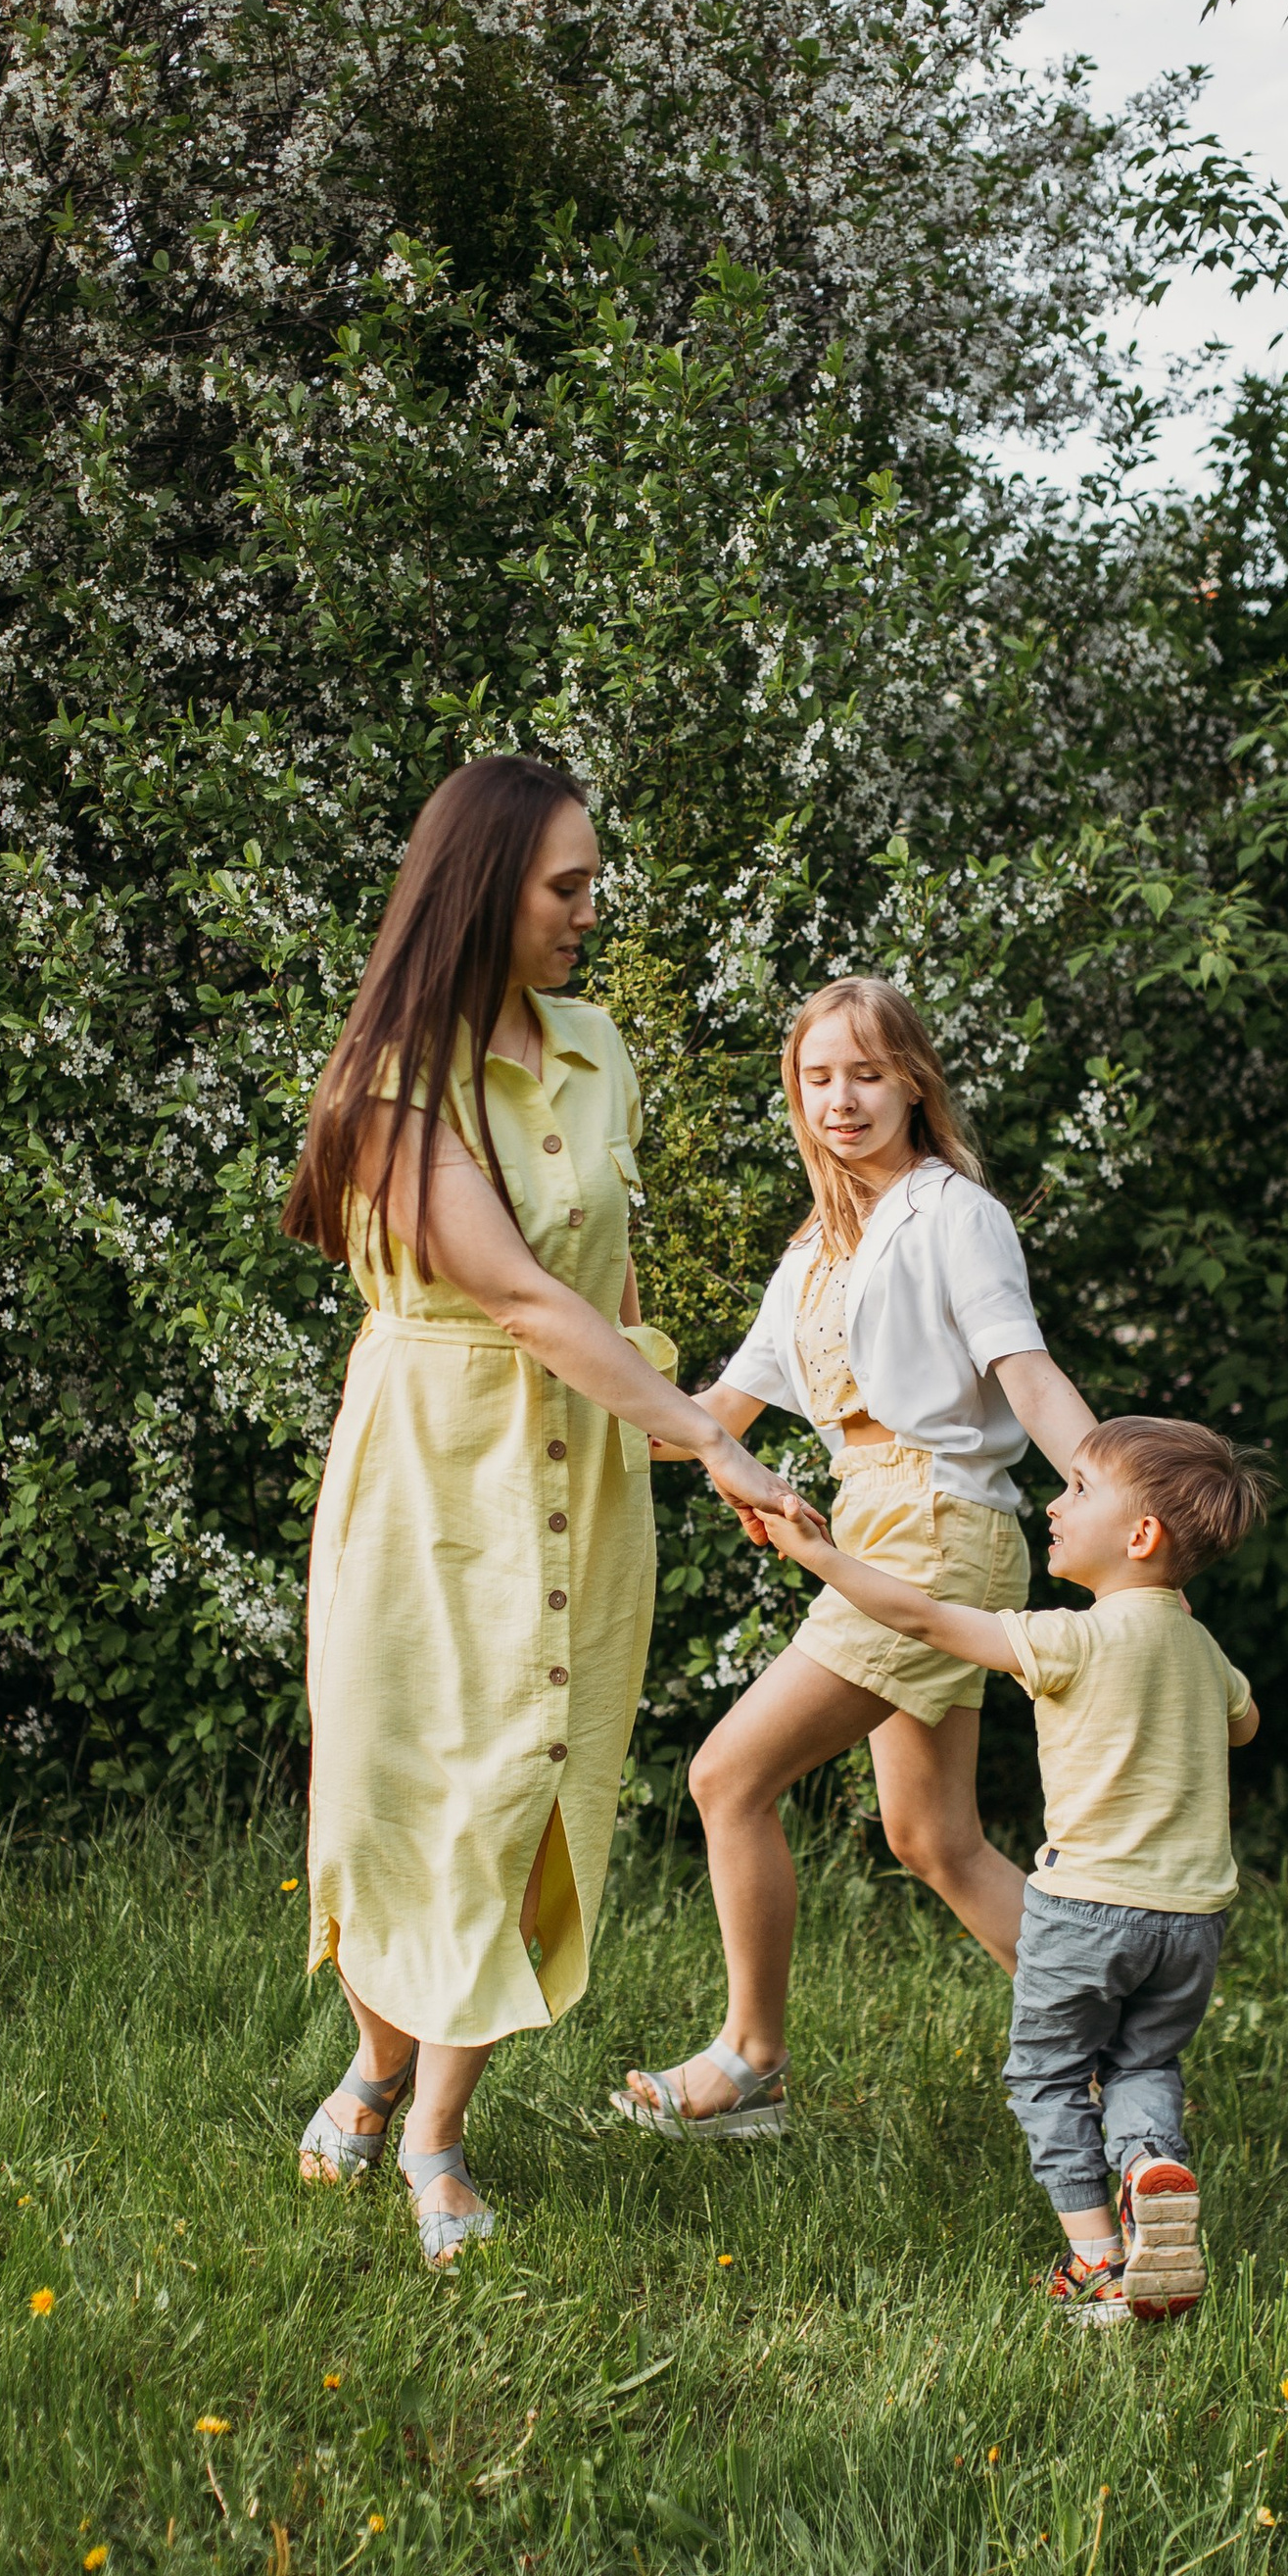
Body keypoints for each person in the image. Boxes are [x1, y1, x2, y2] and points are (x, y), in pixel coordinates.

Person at [284, 756, 815, 2266]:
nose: (592, 910)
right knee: (405, 1799)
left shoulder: (593, 1049)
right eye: (566, 887)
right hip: (426, 1469)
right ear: (483, 892)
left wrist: (673, 1410)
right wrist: (712, 1443)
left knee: (523, 1797)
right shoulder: (394, 1084)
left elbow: (599, 1283)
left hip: (577, 1476)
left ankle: (432, 2129)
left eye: (591, 882)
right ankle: (383, 2068)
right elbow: (511, 1291)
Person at [613, 976, 1099, 2142]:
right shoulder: (816, 1253)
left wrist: (1117, 1495)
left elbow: (1023, 1372)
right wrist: (587, 1358)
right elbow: (708, 1417)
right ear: (797, 1094)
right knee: (933, 1837)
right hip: (873, 1526)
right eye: (819, 1077)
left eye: (867, 1073)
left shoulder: (951, 1214)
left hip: (936, 1529)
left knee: (727, 1779)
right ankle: (1114, 2055)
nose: (843, 1099)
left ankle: (750, 2062)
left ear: (913, 1084)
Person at [754, 1414, 1269, 2322]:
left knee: (1049, 2078)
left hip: (1085, 1912)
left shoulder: (1070, 1640)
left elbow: (920, 1616)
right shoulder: (1201, 1650)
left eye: (1077, 1491)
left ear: (1141, 1537)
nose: (1056, 1506)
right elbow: (1244, 1724)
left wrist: (821, 1555)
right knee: (1143, 2060)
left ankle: (1098, 2265)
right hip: (1192, 1921)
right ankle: (1150, 2164)